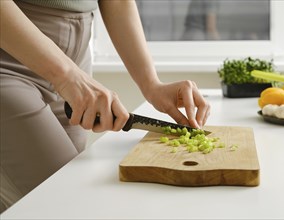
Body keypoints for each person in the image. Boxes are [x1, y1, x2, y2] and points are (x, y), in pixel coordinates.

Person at [0, 0, 210, 212]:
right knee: (68, 205)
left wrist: (151, 84)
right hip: (10, 57)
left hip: (75, 62)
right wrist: (67, 76)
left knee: (35, 202)